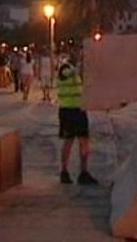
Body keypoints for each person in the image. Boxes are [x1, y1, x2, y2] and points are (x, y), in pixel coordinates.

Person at [57, 55, 96, 185]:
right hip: (68, 110)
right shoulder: (64, 69)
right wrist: (82, 64)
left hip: (78, 110)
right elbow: (71, 72)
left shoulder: (75, 72)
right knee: (69, 141)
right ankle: (64, 171)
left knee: (83, 141)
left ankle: (83, 172)